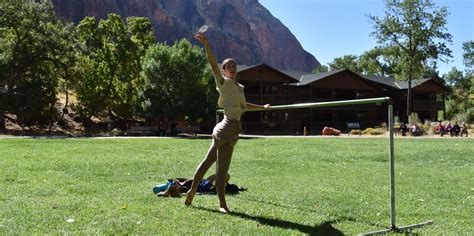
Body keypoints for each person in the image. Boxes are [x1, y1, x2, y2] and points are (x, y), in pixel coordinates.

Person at [184, 31, 270, 214]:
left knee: (215, 166)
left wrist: (262, 107)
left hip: (234, 129)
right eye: (228, 66)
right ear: (223, 71)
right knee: (215, 166)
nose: (231, 68)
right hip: (225, 128)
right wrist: (207, 45)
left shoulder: (239, 88)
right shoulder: (222, 82)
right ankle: (214, 200)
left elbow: (244, 106)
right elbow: (213, 63)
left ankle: (203, 195)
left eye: (234, 66)